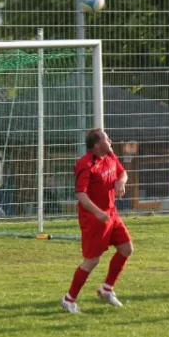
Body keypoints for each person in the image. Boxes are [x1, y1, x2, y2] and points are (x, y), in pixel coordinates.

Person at [61, 128, 134, 313]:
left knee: (126, 249)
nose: (110, 140)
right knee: (91, 261)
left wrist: (121, 182)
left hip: (111, 214)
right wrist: (98, 212)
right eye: (106, 138)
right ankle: (69, 299)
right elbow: (80, 194)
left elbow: (122, 173)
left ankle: (107, 289)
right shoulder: (86, 164)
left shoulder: (110, 156)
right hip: (94, 219)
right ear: (96, 145)